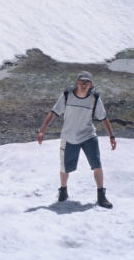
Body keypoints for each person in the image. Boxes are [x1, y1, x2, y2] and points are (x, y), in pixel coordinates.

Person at [37, 71, 117, 208]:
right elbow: (53, 113)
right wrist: (42, 130)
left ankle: (101, 195)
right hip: (69, 137)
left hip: (88, 136)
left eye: (87, 82)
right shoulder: (67, 95)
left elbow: (103, 118)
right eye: (82, 81)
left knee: (97, 165)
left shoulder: (94, 98)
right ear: (77, 82)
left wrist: (112, 136)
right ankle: (63, 190)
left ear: (91, 84)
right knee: (64, 168)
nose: (84, 84)